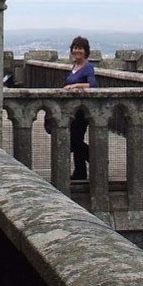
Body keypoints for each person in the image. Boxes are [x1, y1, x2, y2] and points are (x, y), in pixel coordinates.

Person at [64, 35, 97, 180]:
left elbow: (93, 85)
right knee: (75, 139)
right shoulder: (74, 67)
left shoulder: (87, 67)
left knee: (75, 140)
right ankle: (80, 172)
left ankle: (96, 158)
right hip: (72, 111)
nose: (77, 51)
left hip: (82, 112)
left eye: (80, 48)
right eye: (75, 48)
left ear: (86, 51)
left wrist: (76, 85)